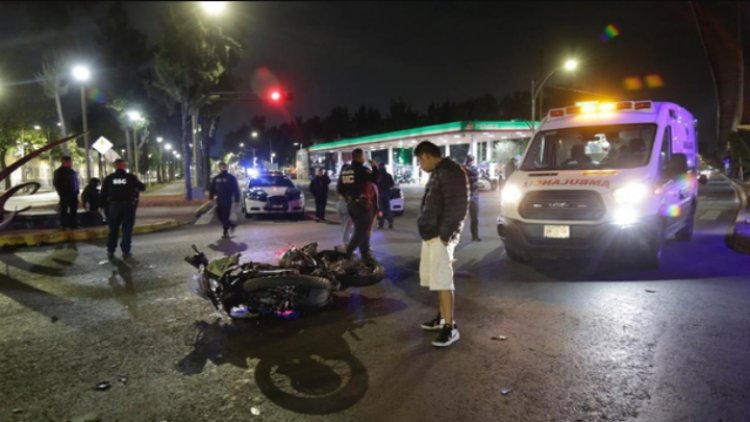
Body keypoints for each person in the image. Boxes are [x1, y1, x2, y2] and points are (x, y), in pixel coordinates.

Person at [415, 140, 469, 348]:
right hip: (431, 234)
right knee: (436, 280)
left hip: (440, 235)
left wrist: (445, 236)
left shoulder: (451, 172)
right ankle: (442, 318)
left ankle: (450, 326)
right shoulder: (439, 172)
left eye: (420, 160)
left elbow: (458, 208)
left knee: (444, 280)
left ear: (426, 156)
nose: (421, 165)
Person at [336, 148, 380, 261]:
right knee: (361, 231)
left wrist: (349, 197)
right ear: (361, 157)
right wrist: (375, 166)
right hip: (362, 206)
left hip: (351, 204)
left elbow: (339, 188)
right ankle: (347, 254)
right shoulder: (362, 170)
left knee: (362, 229)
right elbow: (376, 178)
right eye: (363, 155)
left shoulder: (345, 170)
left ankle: (365, 255)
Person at [101, 159, 146, 259]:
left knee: (113, 229)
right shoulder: (130, 177)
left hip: (114, 207)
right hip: (128, 206)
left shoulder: (109, 178)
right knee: (127, 229)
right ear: (124, 166)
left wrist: (104, 207)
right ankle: (126, 250)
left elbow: (103, 194)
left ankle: (110, 250)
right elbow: (142, 187)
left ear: (115, 166)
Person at [209, 162, 241, 239]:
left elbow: (236, 189)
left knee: (225, 216)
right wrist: (211, 198)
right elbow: (212, 188)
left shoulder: (231, 178)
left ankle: (225, 232)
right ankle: (231, 225)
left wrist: (237, 199)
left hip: (227, 200)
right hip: (219, 200)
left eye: (224, 167)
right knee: (219, 215)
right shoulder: (216, 178)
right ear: (219, 168)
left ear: (226, 167)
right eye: (221, 167)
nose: (223, 168)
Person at [52, 156, 80, 230]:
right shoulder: (59, 172)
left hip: (74, 195)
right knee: (64, 210)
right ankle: (63, 225)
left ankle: (73, 225)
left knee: (73, 210)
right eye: (70, 162)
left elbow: (75, 182)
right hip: (65, 195)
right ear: (65, 162)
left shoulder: (72, 171)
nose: (71, 163)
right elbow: (56, 183)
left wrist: (77, 191)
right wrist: (62, 193)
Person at [464, 155, 481, 241]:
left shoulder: (472, 169)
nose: (470, 162)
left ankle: (475, 236)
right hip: (465, 196)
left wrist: (466, 169)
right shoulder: (463, 169)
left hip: (473, 196)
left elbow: (475, 176)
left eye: (470, 160)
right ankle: (455, 236)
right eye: (469, 160)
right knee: (459, 219)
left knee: (475, 218)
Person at [377, 162, 395, 229]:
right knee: (387, 209)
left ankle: (380, 224)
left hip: (379, 195)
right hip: (387, 194)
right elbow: (392, 184)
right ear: (385, 168)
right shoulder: (388, 175)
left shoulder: (377, 176)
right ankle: (390, 223)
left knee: (380, 210)